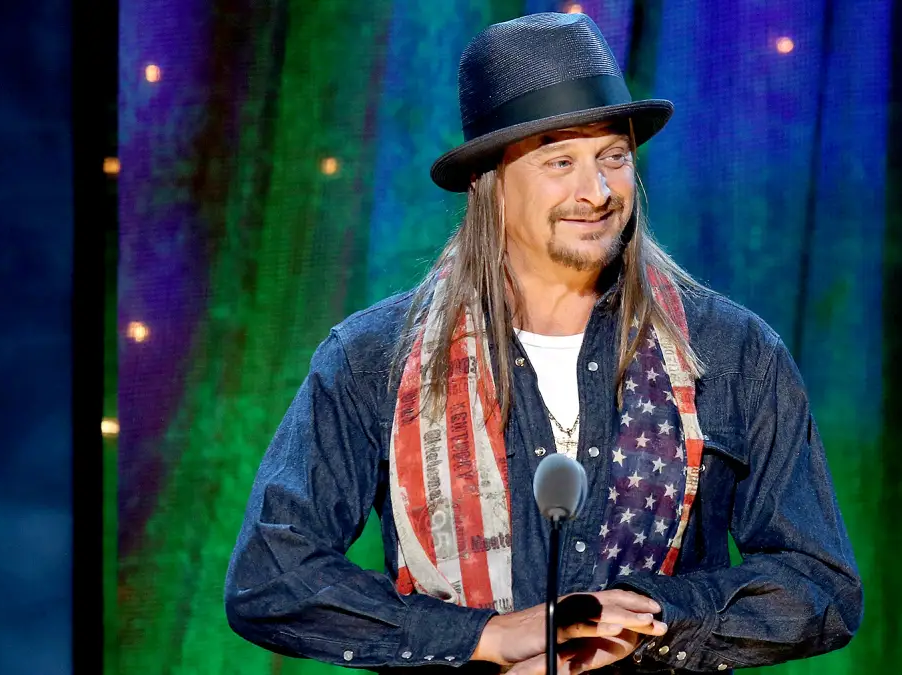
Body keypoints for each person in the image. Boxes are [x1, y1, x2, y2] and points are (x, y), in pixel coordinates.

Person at [224, 11, 862, 675]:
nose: (596, 191)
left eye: (612, 157)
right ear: (489, 185)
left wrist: (643, 617)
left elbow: (819, 584)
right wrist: (489, 635)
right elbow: (272, 577)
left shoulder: (732, 351)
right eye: (560, 160)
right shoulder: (372, 358)